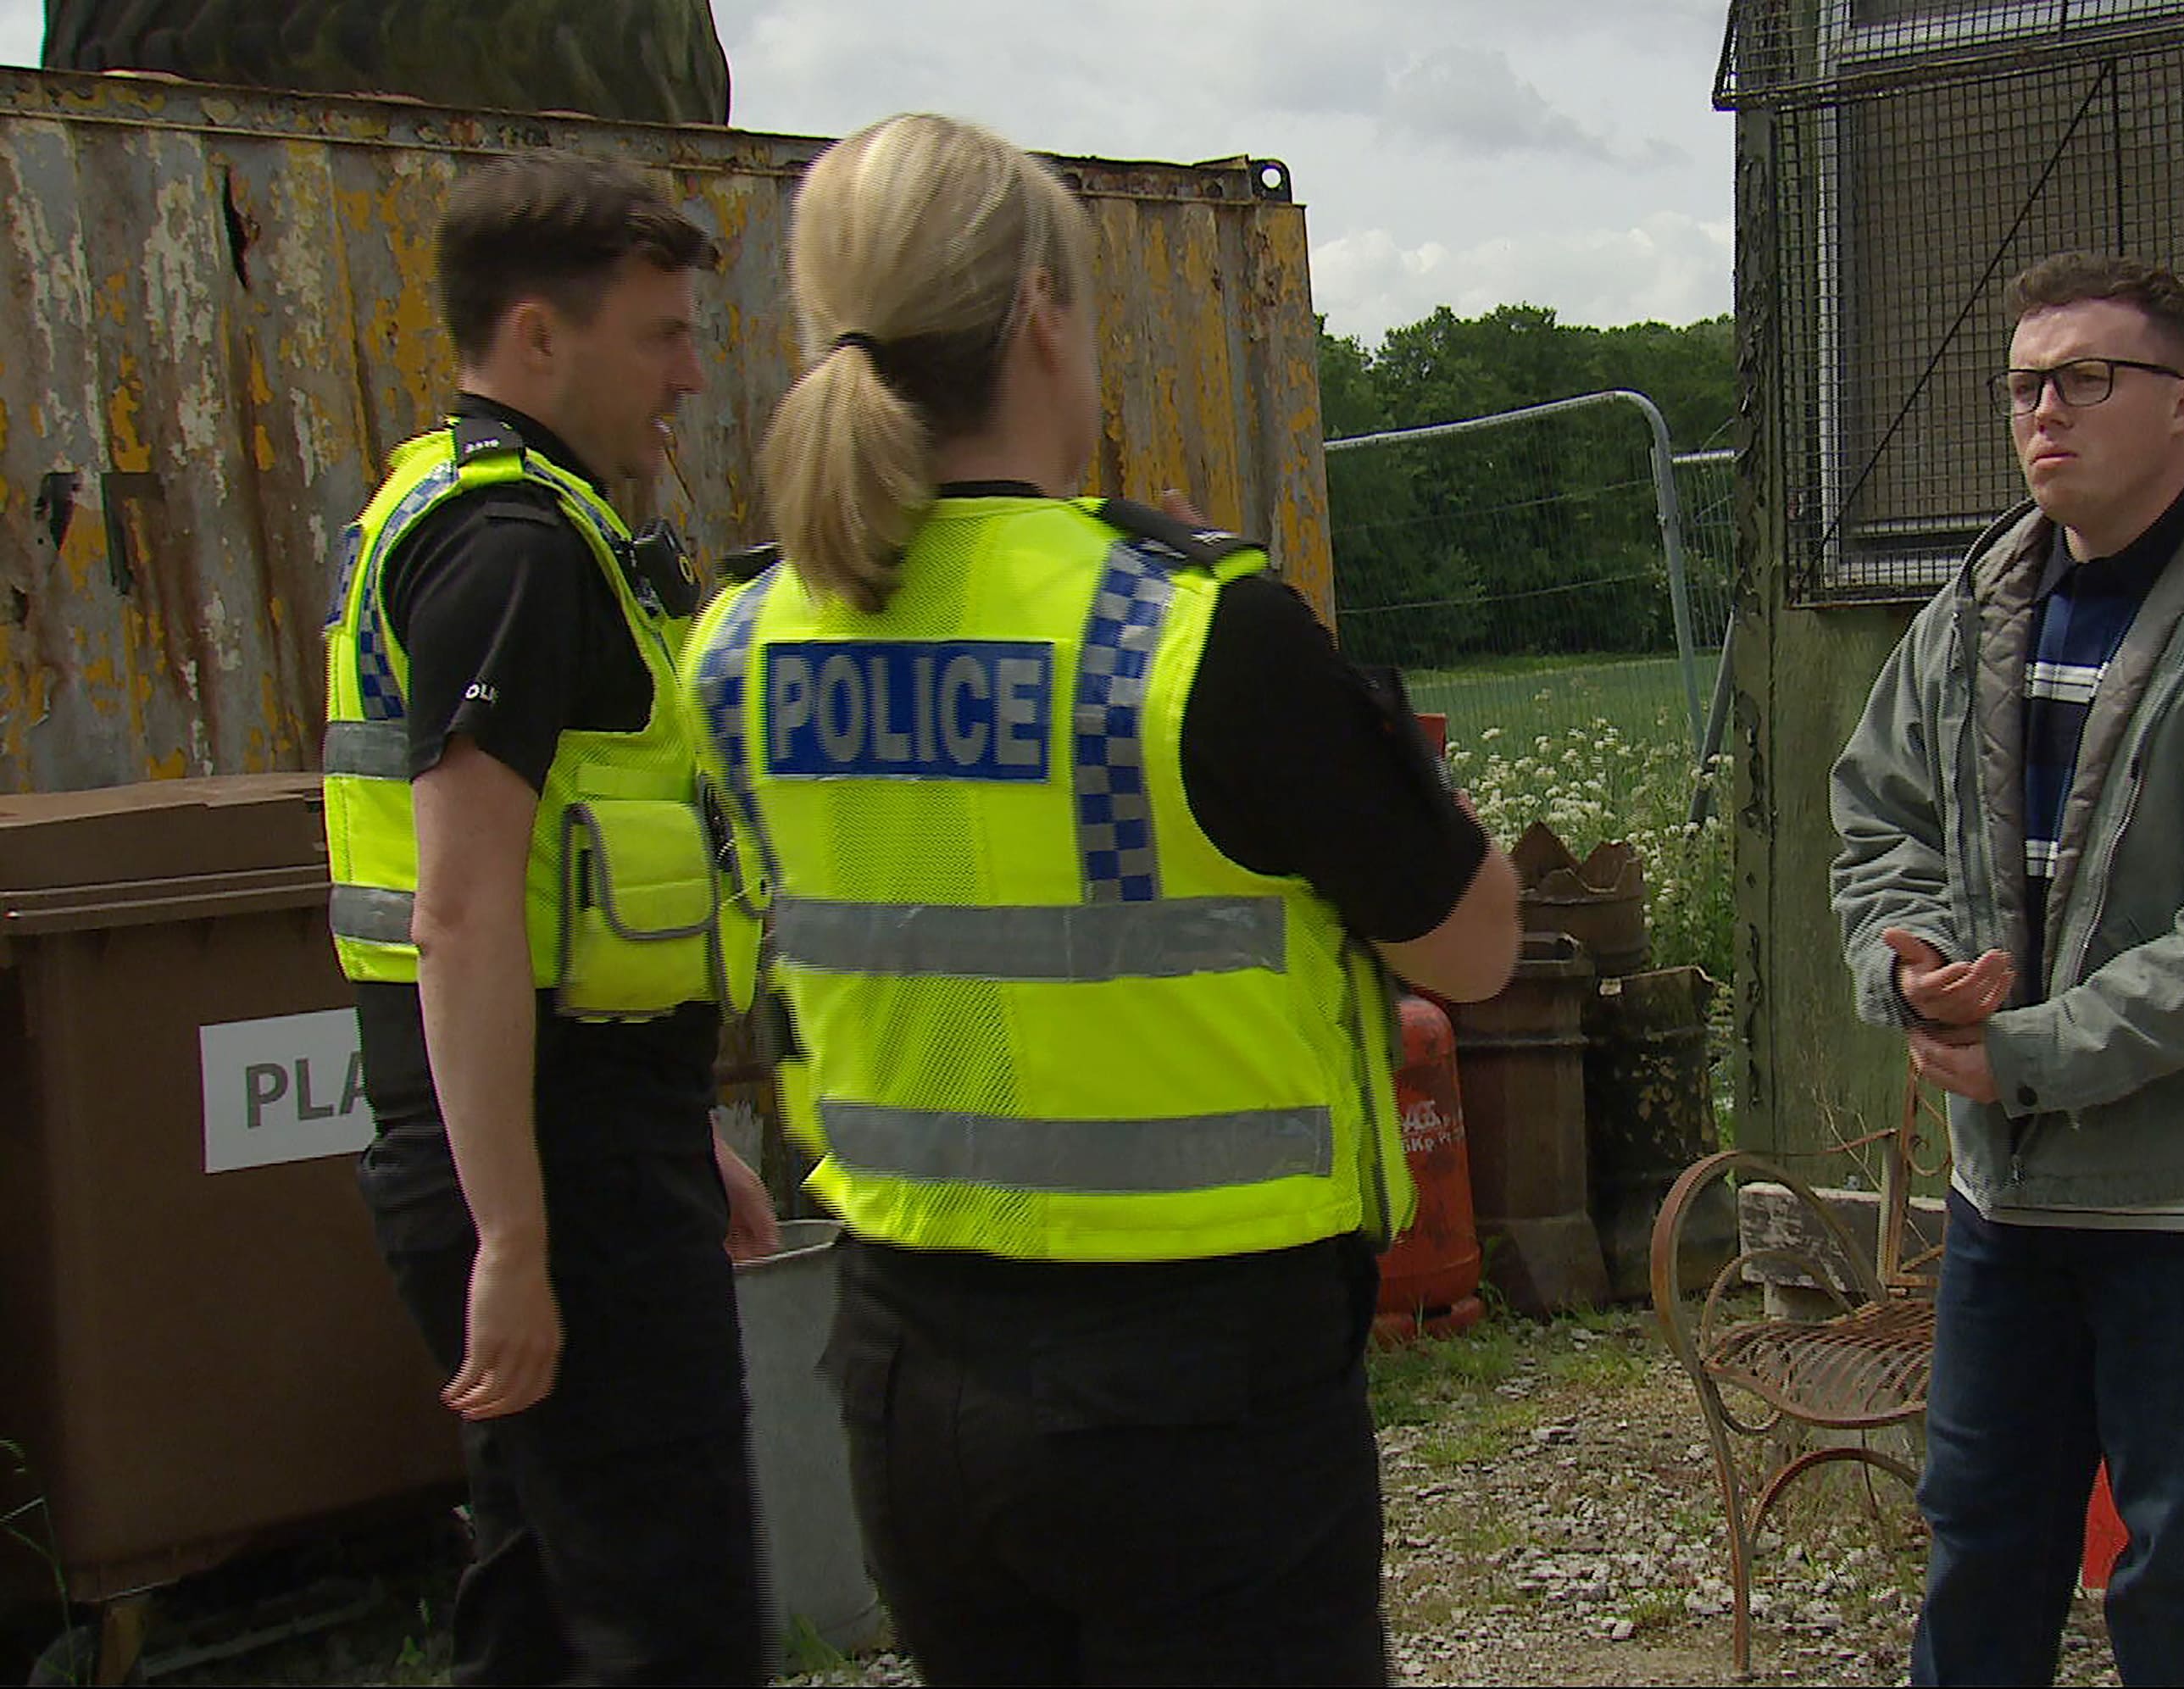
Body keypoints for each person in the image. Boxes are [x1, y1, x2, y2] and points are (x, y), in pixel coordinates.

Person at [681, 113, 1520, 1686]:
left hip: (903, 1365)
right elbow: (1476, 947)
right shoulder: (1190, 631)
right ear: (1041, 316)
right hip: (1197, 1393)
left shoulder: (737, 644)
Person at [1828, 252, 2184, 1687]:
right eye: (2026, 383)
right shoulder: (1970, 618)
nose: (2046, 411)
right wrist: (1910, 968)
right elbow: (1880, 819)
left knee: (2183, 1562)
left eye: (2087, 378)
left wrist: (2033, 1050)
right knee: (1981, 1538)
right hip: (2010, 1194)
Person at [321, 155, 775, 1685]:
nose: (690, 374)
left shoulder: (481, 511)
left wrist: (678, 1128)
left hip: (570, 1130)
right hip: (554, 1168)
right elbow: (461, 911)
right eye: (661, 335)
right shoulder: (512, 549)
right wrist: (517, 1235)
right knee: (670, 1616)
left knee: (540, 1604)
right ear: (536, 336)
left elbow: (547, 906)